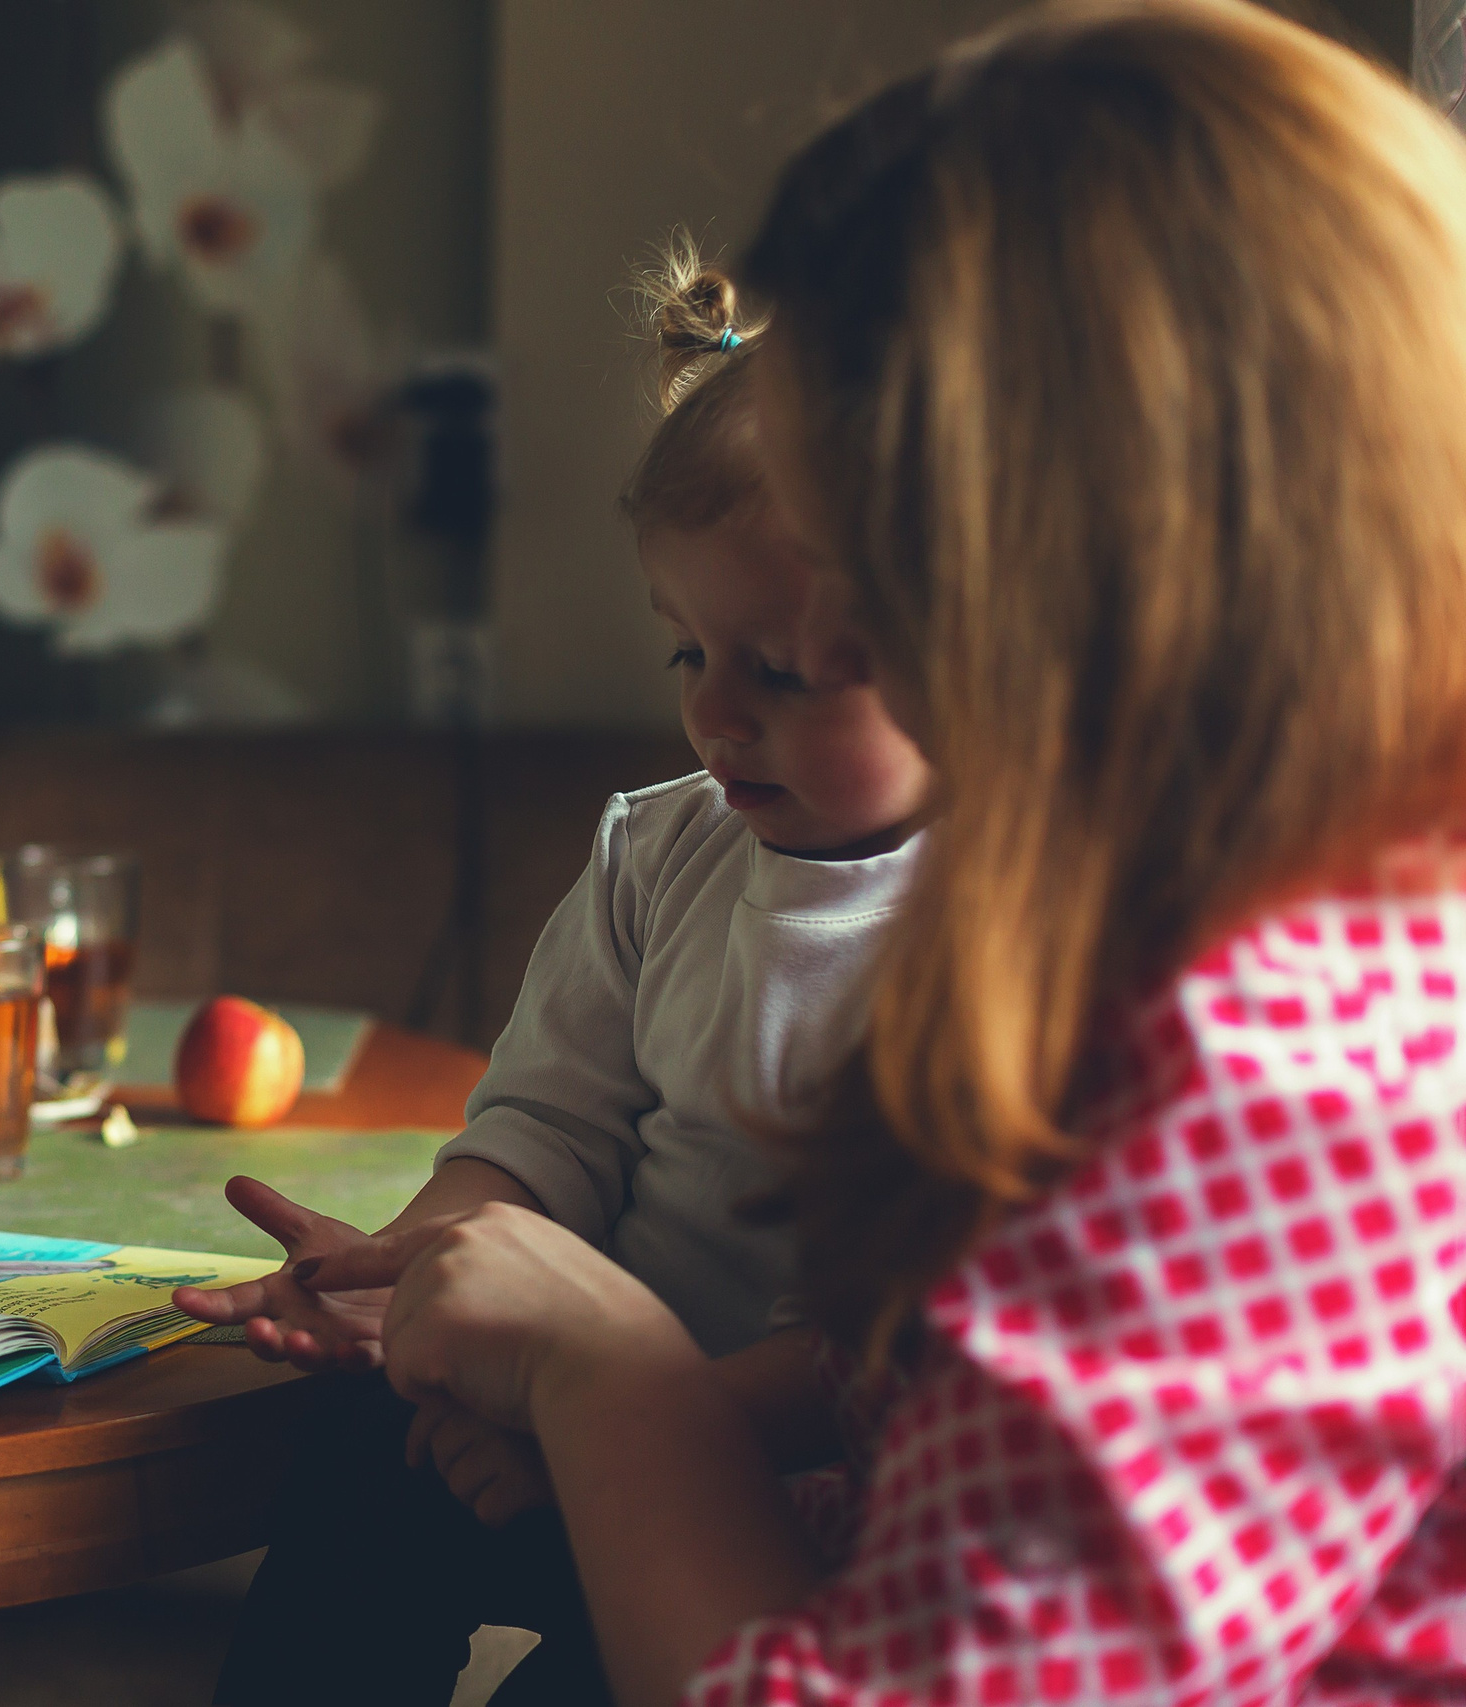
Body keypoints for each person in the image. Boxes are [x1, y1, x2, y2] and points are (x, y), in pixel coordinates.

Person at [282, 3, 1466, 1703]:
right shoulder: (1221, 920)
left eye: (879, 538)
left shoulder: (1265, 1069)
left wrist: (612, 1372)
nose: (823, 629)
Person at [187, 246, 931, 1706]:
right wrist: (418, 1279)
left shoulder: (1023, 934)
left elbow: (904, 1351)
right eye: (685, 651)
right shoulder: (658, 855)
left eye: (777, 668)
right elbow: (542, 1138)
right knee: (352, 1463)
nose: (713, 711)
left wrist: (617, 1426)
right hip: (573, 1421)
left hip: (802, 1482)